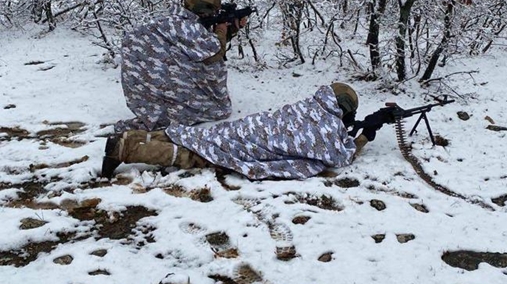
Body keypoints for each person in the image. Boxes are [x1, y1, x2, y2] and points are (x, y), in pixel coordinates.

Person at [102, 82, 378, 182]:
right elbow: (340, 156)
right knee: (195, 156)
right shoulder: (327, 126)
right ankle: (126, 149)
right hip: (250, 146)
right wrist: (367, 134)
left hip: (246, 128)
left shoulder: (310, 106)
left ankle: (134, 137)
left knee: (198, 137)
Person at [114, 0, 246, 134]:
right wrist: (222, 28)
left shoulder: (170, 21)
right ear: (204, 10)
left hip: (144, 99)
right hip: (162, 100)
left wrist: (230, 28)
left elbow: (202, 46)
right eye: (213, 12)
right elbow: (213, 53)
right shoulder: (186, 26)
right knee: (221, 110)